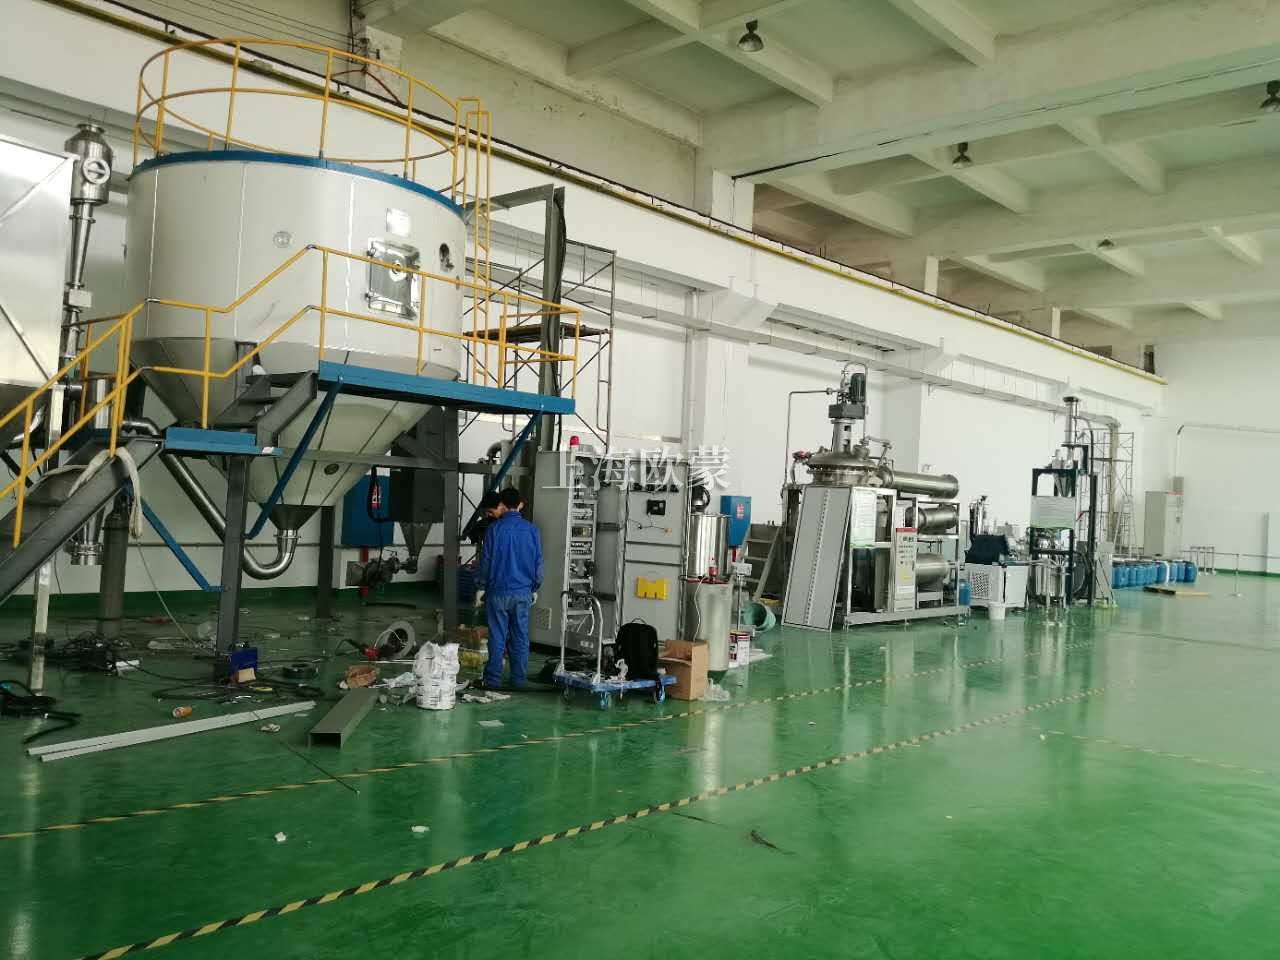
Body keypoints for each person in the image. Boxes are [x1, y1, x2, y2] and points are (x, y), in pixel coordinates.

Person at [475, 487, 542, 689]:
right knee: (520, 637)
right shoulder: (531, 530)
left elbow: (486, 562)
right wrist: (535, 587)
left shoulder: (494, 530)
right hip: (522, 592)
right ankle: (518, 680)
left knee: (497, 636)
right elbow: (538, 562)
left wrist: (481, 586)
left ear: (502, 504)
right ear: (519, 504)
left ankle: (493, 680)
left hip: (497, 593)